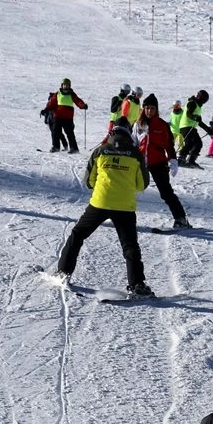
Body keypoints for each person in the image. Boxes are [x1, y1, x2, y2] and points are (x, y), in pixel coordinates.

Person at [56, 125, 155, 298]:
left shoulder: (100, 151)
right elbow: (142, 185)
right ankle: (137, 284)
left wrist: (104, 186)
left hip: (100, 203)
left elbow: (88, 181)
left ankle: (63, 271)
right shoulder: (135, 154)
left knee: (78, 234)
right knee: (130, 246)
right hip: (124, 206)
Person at [137, 93, 191, 229]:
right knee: (127, 188)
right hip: (140, 163)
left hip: (158, 163)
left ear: (156, 110)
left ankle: (181, 218)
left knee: (166, 192)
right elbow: (133, 143)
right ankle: (117, 214)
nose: (149, 111)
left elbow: (168, 145)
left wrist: (172, 160)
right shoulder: (138, 125)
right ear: (143, 109)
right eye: (147, 108)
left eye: (152, 108)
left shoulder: (162, 125)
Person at [43, 78, 87, 153]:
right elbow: (52, 103)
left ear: (69, 86)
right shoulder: (58, 93)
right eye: (64, 85)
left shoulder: (72, 94)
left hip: (68, 117)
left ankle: (74, 148)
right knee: (55, 132)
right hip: (57, 117)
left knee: (70, 133)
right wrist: (46, 109)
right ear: (62, 85)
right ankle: (55, 147)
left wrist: (82, 105)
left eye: (67, 85)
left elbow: (78, 101)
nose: (65, 86)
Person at [178, 89, 210, 168]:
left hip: (190, 127)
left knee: (197, 143)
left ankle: (190, 161)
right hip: (186, 126)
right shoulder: (192, 103)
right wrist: (195, 117)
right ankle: (181, 160)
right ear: (199, 97)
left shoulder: (198, 106)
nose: (203, 102)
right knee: (191, 143)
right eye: (203, 100)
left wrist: (207, 129)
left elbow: (199, 121)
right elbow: (189, 114)